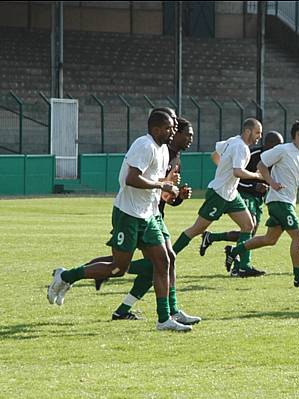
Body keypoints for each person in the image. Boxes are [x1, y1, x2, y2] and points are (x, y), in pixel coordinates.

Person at [47, 111, 194, 331]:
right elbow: (131, 178)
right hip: (128, 214)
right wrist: (162, 185)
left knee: (163, 260)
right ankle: (66, 275)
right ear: (155, 129)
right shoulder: (144, 145)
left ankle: (164, 318)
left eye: (173, 128)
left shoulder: (163, 149)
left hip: (148, 215)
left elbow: (153, 180)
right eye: (169, 128)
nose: (173, 131)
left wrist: (170, 187)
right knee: (118, 268)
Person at [94, 116, 198, 323]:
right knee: (153, 264)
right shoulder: (153, 148)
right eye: (186, 133)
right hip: (138, 213)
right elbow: (139, 180)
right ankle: (86, 271)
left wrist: (178, 196)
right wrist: (164, 186)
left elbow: (166, 196)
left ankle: (136, 310)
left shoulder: (174, 158)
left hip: (154, 214)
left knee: (164, 262)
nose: (190, 139)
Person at [225, 121, 299, 287]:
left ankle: (235, 250)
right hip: (279, 200)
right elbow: (261, 165)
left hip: (288, 201)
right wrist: (272, 182)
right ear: (298, 135)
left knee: (270, 239)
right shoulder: (283, 149)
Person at [170, 118, 264, 278]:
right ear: (248, 131)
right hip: (219, 193)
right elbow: (238, 172)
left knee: (248, 225)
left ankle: (243, 266)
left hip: (231, 194)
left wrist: (223, 168)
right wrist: (257, 175)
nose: (259, 137)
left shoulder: (232, 140)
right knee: (196, 229)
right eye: (257, 133)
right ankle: (168, 258)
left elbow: (214, 155)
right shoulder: (241, 147)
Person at [198, 131, 284, 277]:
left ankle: (213, 238)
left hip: (259, 199)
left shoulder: (277, 157)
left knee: (250, 232)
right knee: (250, 226)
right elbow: (237, 176)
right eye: (277, 145)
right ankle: (241, 266)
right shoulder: (252, 154)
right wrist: (253, 187)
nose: (279, 148)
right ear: (267, 144)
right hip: (245, 194)